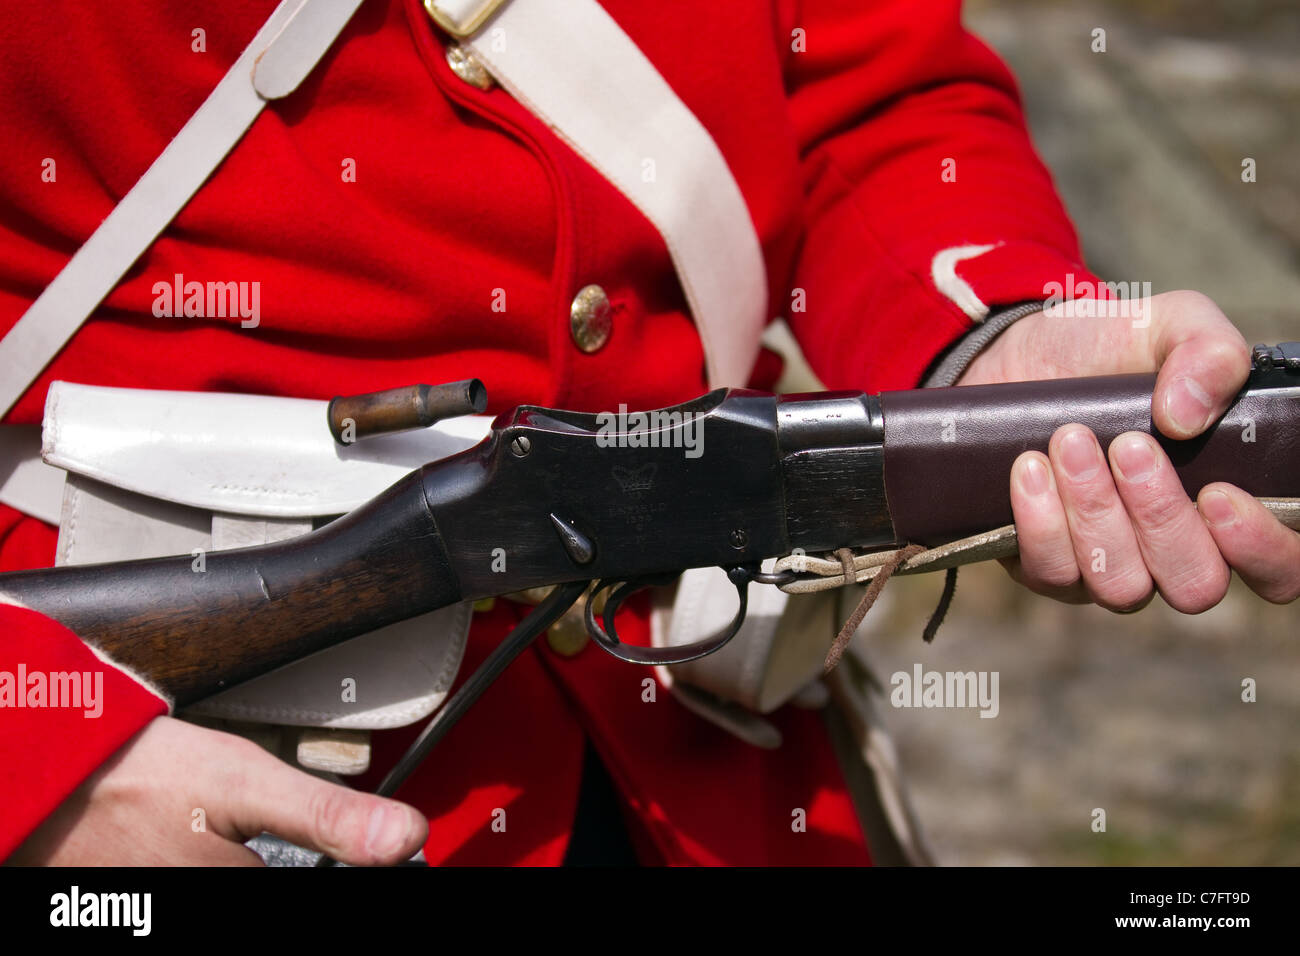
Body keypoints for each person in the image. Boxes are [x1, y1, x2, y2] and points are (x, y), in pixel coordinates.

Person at [1, 0, 1296, 866]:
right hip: (149, 793)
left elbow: (860, 93)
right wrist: (36, 761)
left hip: (703, 774)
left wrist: (999, 344)